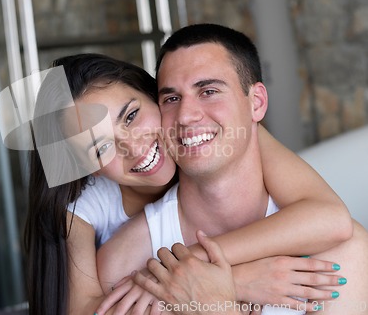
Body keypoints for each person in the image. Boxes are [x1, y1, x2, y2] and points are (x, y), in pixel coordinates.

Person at [21, 54, 351, 315]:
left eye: (131, 116)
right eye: (100, 148)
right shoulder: (83, 213)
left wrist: (193, 264)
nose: (133, 147)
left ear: (158, 98)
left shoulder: (216, 136)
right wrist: (232, 284)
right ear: (88, 169)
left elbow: (329, 217)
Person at [97, 24, 368, 314]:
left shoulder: (334, 253)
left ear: (257, 103)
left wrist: (217, 302)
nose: (187, 116)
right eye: (172, 99)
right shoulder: (125, 265)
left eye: (209, 91)